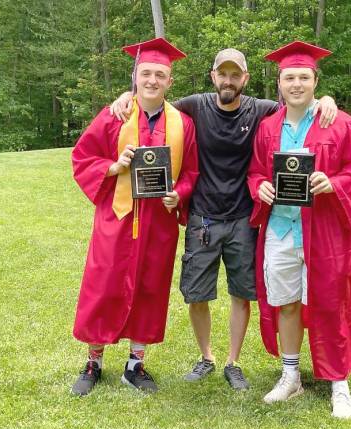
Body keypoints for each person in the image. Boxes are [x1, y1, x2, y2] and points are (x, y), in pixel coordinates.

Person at [111, 48, 337, 390]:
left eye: (236, 74)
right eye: (223, 74)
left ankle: (233, 361)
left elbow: (298, 104)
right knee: (197, 295)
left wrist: (325, 99)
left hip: (243, 218)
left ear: (244, 78)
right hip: (203, 216)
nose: (228, 80)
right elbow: (154, 98)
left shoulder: (261, 109)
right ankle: (206, 357)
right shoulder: (195, 105)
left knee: (240, 294)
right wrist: (127, 95)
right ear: (213, 76)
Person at [247, 41, 351, 418]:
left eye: (303, 77)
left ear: (315, 80)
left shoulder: (337, 122)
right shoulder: (267, 127)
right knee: (287, 302)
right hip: (280, 229)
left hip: (324, 231)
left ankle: (339, 381)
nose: (296, 84)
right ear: (279, 83)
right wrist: (259, 186)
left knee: (330, 301)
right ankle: (290, 375)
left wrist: (335, 183)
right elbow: (257, 170)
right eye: (289, 77)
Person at [70, 37, 199, 396]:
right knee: (104, 285)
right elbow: (83, 157)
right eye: (146, 73)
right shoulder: (115, 115)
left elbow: (191, 173)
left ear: (170, 81)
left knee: (150, 287)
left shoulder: (183, 124)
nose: (153, 80)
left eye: (160, 74)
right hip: (118, 217)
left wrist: (180, 193)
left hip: (158, 221)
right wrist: (114, 166)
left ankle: (135, 364)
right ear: (135, 76)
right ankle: (94, 361)